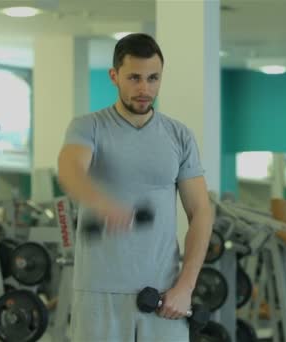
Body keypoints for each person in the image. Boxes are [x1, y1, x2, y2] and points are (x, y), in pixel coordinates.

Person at [57, 33, 213, 341]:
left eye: (153, 78)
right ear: (114, 76)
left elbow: (202, 212)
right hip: (99, 293)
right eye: (135, 78)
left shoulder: (179, 135)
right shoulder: (89, 126)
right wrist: (102, 204)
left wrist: (186, 286)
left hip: (163, 295)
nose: (145, 89)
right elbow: (70, 168)